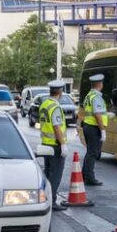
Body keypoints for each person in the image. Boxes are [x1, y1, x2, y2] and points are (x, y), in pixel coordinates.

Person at [39, 80, 69, 211]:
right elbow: (57, 127)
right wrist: (63, 144)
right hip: (55, 145)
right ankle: (52, 201)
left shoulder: (45, 104)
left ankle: (45, 198)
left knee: (48, 172)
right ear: (60, 92)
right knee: (55, 175)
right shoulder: (55, 107)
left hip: (46, 143)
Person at [82, 74, 108, 186]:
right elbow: (97, 114)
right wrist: (102, 130)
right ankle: (89, 178)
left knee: (90, 152)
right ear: (100, 85)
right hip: (94, 127)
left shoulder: (89, 95)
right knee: (93, 153)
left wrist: (107, 115)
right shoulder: (97, 97)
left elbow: (95, 112)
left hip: (88, 125)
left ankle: (85, 175)